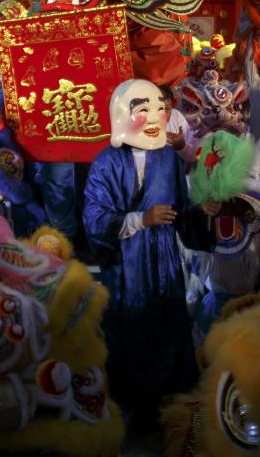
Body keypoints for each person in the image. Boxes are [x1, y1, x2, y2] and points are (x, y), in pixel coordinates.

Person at [83, 79, 219, 431]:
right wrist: (139, 219)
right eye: (144, 110)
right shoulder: (105, 163)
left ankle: (172, 410)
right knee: (128, 330)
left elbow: (182, 211)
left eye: (160, 108)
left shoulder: (167, 160)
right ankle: (129, 409)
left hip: (164, 261)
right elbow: (95, 219)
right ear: (122, 115)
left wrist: (202, 212)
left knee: (169, 326)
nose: (156, 116)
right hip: (128, 262)